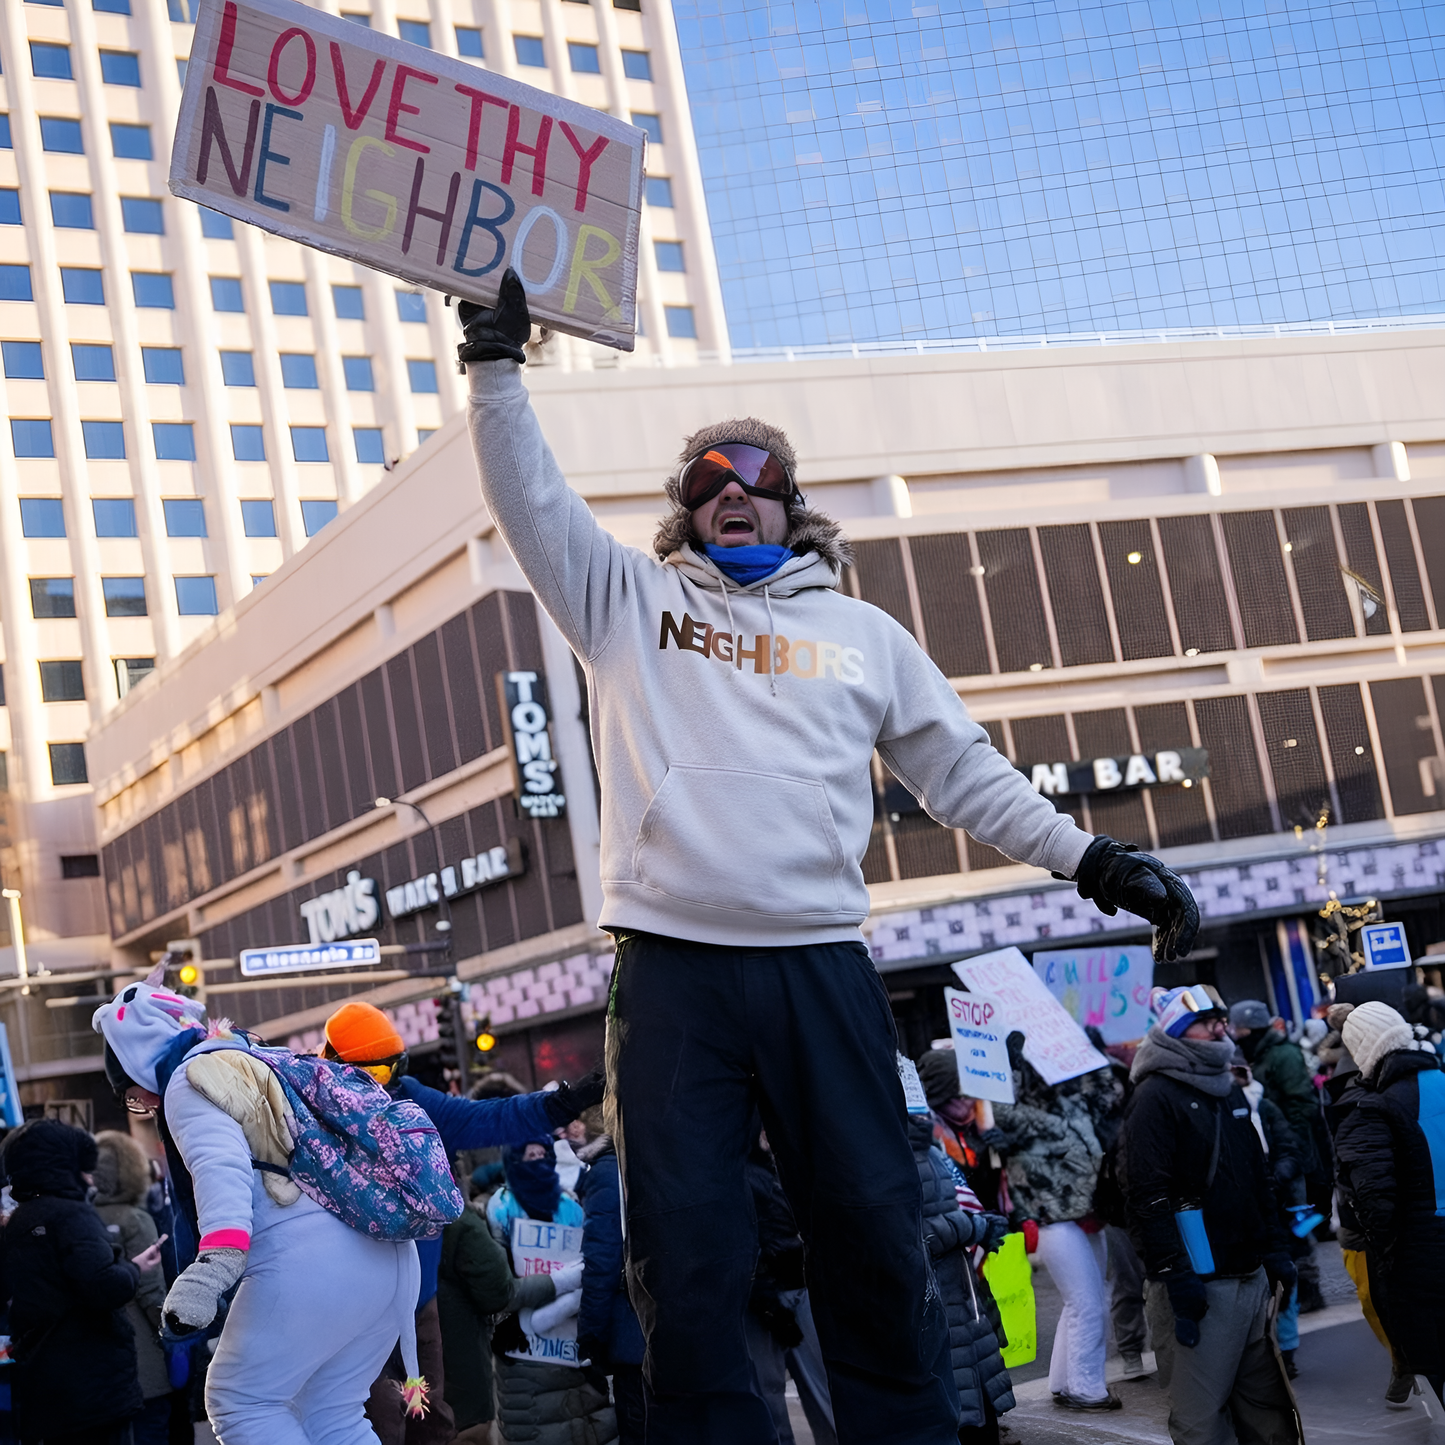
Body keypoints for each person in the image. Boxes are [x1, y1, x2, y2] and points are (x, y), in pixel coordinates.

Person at [451, 268, 1200, 1444]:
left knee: (868, 1231)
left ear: (791, 504)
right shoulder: (624, 603)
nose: (730, 495)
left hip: (819, 964)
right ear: (685, 509)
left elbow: (963, 772)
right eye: (707, 482)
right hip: (672, 969)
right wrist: (495, 368)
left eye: (756, 479)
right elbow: (532, 500)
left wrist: (1094, 860)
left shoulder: (862, 633)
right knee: (684, 1256)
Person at [1120, 986, 1300, 1445]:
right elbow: (1147, 1194)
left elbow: (1257, 1175)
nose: (1221, 1029)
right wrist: (1175, 1275)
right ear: (1179, 1033)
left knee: (1265, 1415)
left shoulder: (1228, 1085)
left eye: (1222, 1019)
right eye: (1208, 1022)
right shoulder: (1154, 1095)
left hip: (1249, 1276)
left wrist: (1276, 1249)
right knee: (1201, 1424)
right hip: (1200, 1287)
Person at [0, 1119, 164, 1445]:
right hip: (94, 1383)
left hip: (44, 1382)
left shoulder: (19, 1220)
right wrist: (133, 1269)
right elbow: (103, 1287)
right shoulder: (73, 1214)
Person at [991, 1034, 1116, 1412]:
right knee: (1086, 1303)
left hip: (1086, 1211)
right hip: (1050, 1216)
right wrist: (1012, 1060)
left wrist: (1092, 1053)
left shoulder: (1078, 1103)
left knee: (1087, 1301)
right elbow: (998, 1107)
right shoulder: (1017, 1113)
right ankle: (1085, 1387)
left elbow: (1108, 1093)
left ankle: (1065, 1381)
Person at [1334, 1001, 1445, 1406]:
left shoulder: (1376, 1107)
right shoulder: (1440, 1078)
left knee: (1433, 1358)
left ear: (1362, 1050)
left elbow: (1376, 1199)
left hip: (1419, 1253)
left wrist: (1387, 1254)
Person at [485, 1138, 616, 1444]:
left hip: (567, 1338)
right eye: (530, 1155)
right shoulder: (501, 1207)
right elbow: (499, 1285)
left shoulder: (570, 1207)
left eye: (544, 1155)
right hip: (521, 1344)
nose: (539, 1161)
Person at [1319, 1001, 1414, 1406]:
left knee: (1381, 1301)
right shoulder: (1357, 1085)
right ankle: (1404, 1358)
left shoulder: (1365, 1095)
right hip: (1374, 1221)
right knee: (1379, 1301)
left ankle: (1405, 1358)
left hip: (1377, 1225)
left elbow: (1368, 1175)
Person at [907, 1105, 1013, 1444]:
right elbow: (916, 1235)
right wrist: (974, 1226)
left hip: (963, 1293)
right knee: (963, 1411)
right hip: (937, 1297)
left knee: (978, 1401)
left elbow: (962, 1202)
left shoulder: (932, 1152)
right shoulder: (901, 1159)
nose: (926, 1116)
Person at [1228, 1000, 1327, 1313]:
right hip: (1276, 1153)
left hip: (1290, 1152)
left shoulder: (1282, 1055)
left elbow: (1301, 1105)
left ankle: (1309, 1289)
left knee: (1297, 1225)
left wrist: (1291, 1148)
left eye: (1242, 1031)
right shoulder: (1258, 1056)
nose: (1238, 1036)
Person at [437, 1196, 558, 1445]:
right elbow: (497, 1292)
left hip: (406, 1369)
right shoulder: (456, 1219)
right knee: (467, 1432)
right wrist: (555, 1281)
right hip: (458, 1365)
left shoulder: (381, 1214)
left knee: (420, 1417)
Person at [92, 1130, 173, 1445]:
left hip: (103, 1362)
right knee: (152, 1430)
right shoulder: (135, 1220)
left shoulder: (82, 1220)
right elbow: (151, 1292)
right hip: (143, 1360)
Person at [575, 1112, 649, 1444]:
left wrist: (589, 1339)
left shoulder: (607, 1171)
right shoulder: (667, 1154)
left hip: (634, 1331)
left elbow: (602, 1261)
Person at [915, 1050, 1008, 1213]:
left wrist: (1001, 1155)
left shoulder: (977, 1129)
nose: (973, 1101)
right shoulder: (925, 1139)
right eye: (963, 1095)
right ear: (941, 1094)